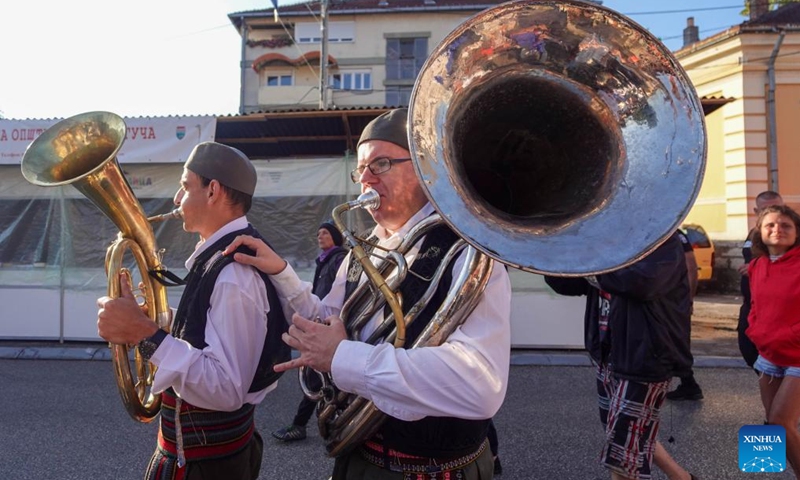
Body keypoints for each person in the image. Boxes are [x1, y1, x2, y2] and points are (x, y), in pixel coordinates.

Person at [224, 108, 512, 480]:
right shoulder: (363, 253)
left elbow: (479, 386)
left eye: (380, 165)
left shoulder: (468, 255)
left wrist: (344, 358)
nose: (365, 180)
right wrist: (281, 273)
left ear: (425, 168)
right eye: (360, 169)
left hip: (435, 470)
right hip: (359, 459)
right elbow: (329, 321)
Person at [97, 141, 288, 480]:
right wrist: (154, 320)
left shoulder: (233, 274)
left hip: (205, 466)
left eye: (184, 186)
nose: (176, 199)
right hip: (203, 457)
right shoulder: (219, 257)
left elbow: (226, 389)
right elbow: (208, 330)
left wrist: (144, 333)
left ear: (213, 190)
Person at [545, 232, 698, 480]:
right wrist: (552, 255)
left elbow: (642, 282)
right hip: (610, 354)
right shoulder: (608, 243)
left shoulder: (661, 240)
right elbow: (570, 284)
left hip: (644, 356)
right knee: (621, 432)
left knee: (624, 456)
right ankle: (683, 478)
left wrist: (590, 264)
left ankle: (769, 464)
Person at [272, 222, 347, 442]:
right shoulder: (324, 260)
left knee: (317, 379)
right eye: (318, 233)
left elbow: (336, 298)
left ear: (335, 237)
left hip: (331, 324)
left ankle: (302, 425)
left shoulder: (339, 259)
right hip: (322, 321)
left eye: (325, 233)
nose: (320, 236)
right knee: (321, 378)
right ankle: (327, 426)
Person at [745, 204, 800, 475]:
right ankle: (767, 471)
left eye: (786, 225)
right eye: (770, 225)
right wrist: (755, 331)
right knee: (772, 425)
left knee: (780, 421)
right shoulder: (757, 265)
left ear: (797, 232)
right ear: (760, 232)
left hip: (798, 357)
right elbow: (755, 306)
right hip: (769, 355)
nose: (777, 229)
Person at [738, 190, 784, 368]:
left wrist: (756, 268)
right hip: (751, 304)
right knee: (748, 350)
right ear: (756, 212)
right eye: (766, 209)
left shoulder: (788, 234)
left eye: (777, 208)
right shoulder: (754, 233)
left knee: (773, 359)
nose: (772, 213)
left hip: (775, 307)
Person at [666, 229, 703, 401]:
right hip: (670, 300)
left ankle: (688, 383)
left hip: (671, 300)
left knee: (676, 340)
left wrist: (688, 299)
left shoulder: (673, 233)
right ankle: (687, 382)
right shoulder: (673, 232)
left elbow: (691, 267)